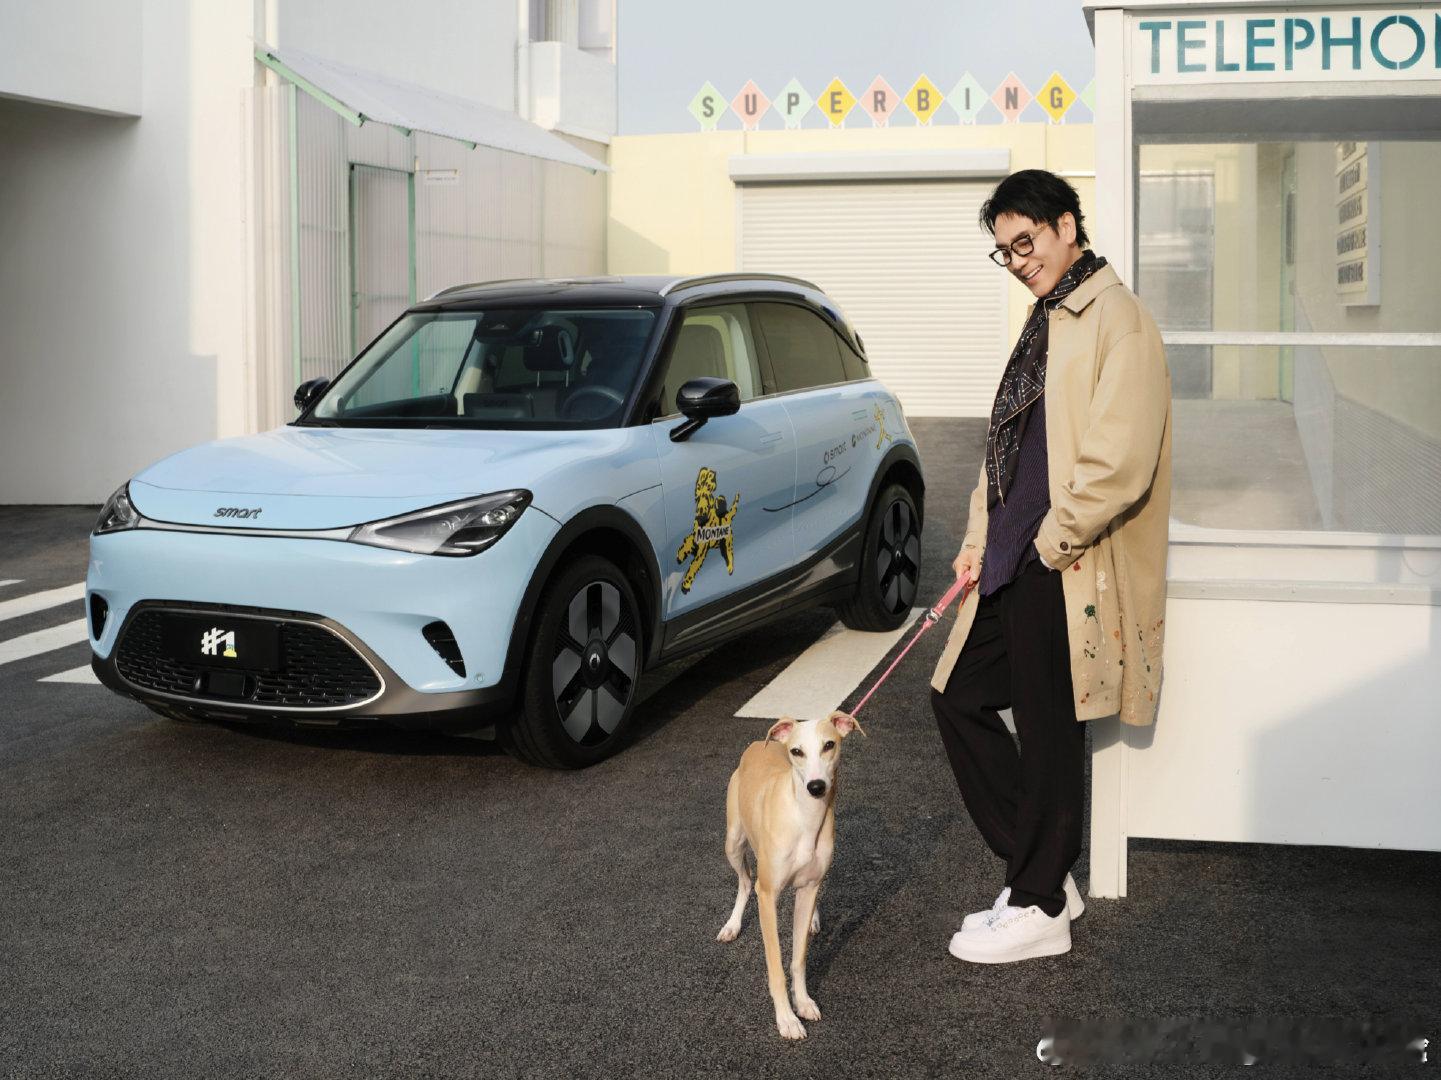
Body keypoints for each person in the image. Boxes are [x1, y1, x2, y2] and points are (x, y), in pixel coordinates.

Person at [930, 169, 1172, 965]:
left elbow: (1118, 461)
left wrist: (1048, 544)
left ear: (1067, 225)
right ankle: (1042, 873)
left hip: (1063, 562)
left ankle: (1039, 904)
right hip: (1015, 556)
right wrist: (978, 538)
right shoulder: (1048, 317)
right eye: (1004, 250)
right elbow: (1005, 446)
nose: (1017, 260)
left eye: (1024, 241)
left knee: (1047, 731)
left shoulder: (1116, 319)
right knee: (956, 697)